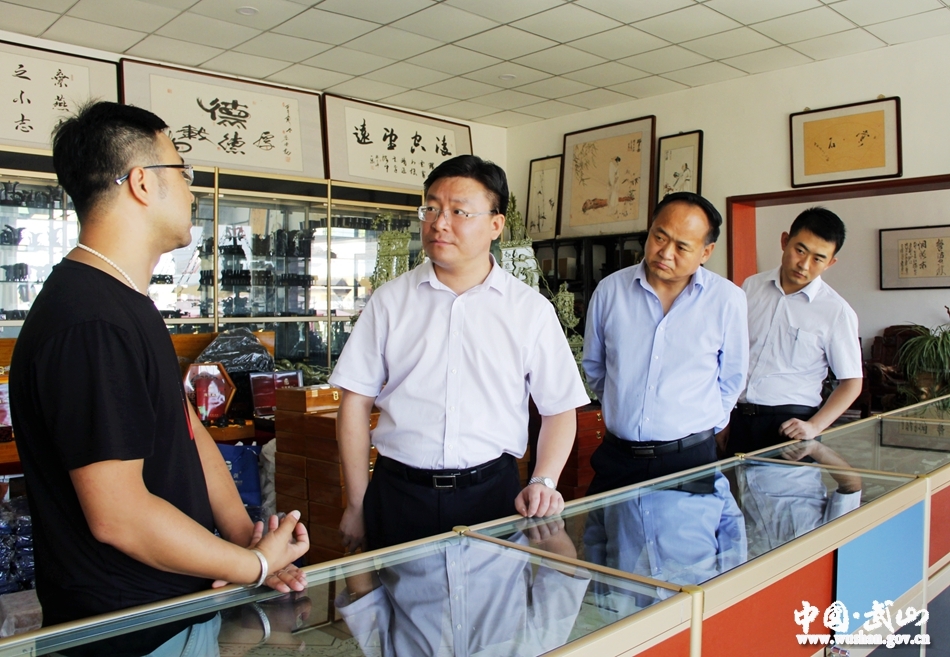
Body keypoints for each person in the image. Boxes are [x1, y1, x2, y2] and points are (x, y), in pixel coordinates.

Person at [10, 101, 309, 654]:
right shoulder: (90, 324)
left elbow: (187, 430)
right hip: (130, 633)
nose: (191, 191)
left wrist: (246, 540)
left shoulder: (127, 303)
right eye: (183, 171)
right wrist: (249, 565)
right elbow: (119, 516)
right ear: (142, 182)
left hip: (178, 613)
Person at [330, 154, 590, 552]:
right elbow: (354, 402)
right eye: (431, 208)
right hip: (399, 494)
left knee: (494, 592)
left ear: (496, 225)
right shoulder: (390, 301)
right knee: (396, 592)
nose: (439, 223)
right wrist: (356, 503)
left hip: (492, 495)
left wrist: (543, 480)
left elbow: (559, 408)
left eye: (459, 212)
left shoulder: (529, 309)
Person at [582, 191, 748, 495]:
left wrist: (701, 427)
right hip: (618, 457)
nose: (665, 253)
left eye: (682, 247)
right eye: (659, 237)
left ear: (706, 252)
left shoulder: (726, 300)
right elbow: (595, 367)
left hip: (690, 459)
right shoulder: (610, 291)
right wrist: (624, 408)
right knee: (608, 526)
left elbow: (732, 378)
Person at [725, 208, 862, 456]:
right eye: (800, 250)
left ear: (830, 263)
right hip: (737, 418)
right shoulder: (751, 286)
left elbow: (852, 382)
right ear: (785, 241)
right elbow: (732, 352)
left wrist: (815, 426)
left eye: (818, 259)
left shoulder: (836, 311)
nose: (804, 265)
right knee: (729, 482)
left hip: (790, 425)